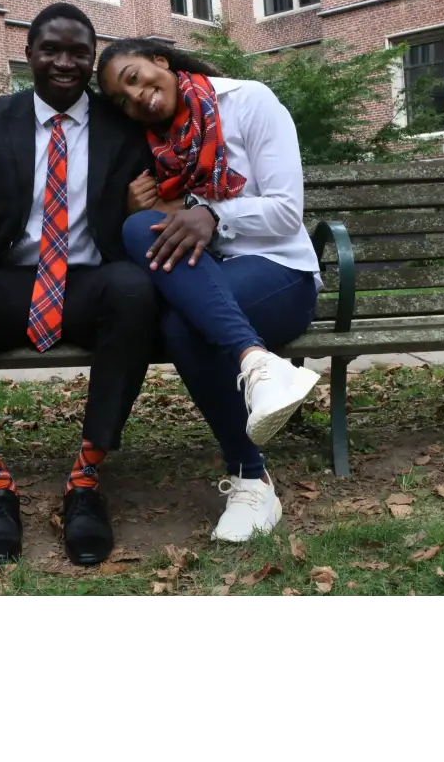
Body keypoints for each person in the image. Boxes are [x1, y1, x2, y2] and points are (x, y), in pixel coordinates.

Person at [0, 3, 158, 567]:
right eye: (51, 50)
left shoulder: (123, 125)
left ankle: (85, 482)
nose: (64, 62)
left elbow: (171, 177)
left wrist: (147, 209)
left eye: (78, 52)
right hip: (10, 284)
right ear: (29, 54)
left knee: (134, 288)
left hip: (89, 283)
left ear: (92, 59)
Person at [95, 39, 323, 543]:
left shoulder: (249, 101)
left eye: (134, 78)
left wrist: (212, 216)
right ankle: (257, 367)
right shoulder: (153, 144)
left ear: (160, 61)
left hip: (281, 273)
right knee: (140, 234)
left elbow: (287, 210)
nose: (136, 98)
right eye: (122, 100)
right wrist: (138, 211)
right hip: (207, 281)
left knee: (185, 326)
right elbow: (155, 233)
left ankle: (249, 476)